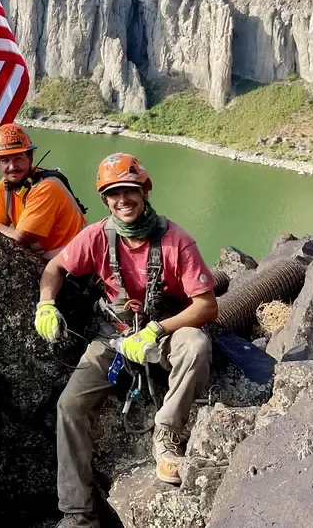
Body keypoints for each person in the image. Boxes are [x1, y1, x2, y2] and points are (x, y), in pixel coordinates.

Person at [35, 153, 218, 528]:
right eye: (114, 193)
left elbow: (207, 306)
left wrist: (157, 330)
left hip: (164, 332)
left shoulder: (176, 241)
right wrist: (46, 304)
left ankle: (167, 433)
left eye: (129, 191)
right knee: (70, 406)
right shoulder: (97, 237)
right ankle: (78, 513)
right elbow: (55, 267)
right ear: (105, 199)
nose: (123, 200)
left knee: (196, 346)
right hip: (114, 336)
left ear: (144, 191)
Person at [0, 123, 87, 260]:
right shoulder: (6, 186)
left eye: (18, 158)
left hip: (69, 260)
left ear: (30, 158)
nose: (12, 167)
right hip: (43, 257)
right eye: (5, 160)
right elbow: (1, 225)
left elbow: (19, 237)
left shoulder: (46, 188)